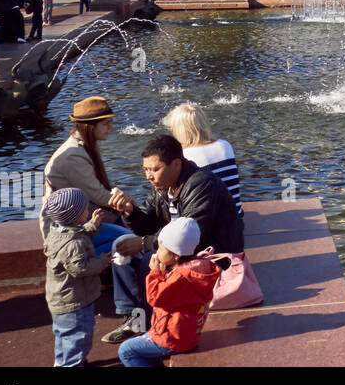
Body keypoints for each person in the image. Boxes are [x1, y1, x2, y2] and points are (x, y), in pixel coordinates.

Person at [104, 134, 243, 344]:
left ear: (176, 164)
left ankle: (157, 323)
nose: (149, 176)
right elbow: (148, 223)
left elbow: (195, 233)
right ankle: (135, 318)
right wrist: (130, 211)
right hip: (181, 248)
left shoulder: (201, 184)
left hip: (213, 253)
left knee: (150, 260)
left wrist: (144, 243)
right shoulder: (164, 186)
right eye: (145, 170)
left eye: (154, 169)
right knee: (119, 246)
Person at [117, 217, 220, 367]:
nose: (157, 252)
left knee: (126, 350)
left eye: (160, 248)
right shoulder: (197, 268)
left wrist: (155, 273)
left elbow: (154, 298)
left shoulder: (180, 277)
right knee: (145, 344)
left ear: (176, 255)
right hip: (188, 333)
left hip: (173, 338)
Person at [41, 97, 134, 254]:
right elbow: (97, 194)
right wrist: (127, 204)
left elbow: (97, 190)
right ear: (89, 127)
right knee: (128, 241)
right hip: (68, 231)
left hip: (82, 218)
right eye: (106, 124)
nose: (111, 127)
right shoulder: (72, 156)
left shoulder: (82, 146)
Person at [43, 188, 109, 367]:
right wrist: (101, 262)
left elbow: (78, 235)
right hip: (74, 301)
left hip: (60, 300)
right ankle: (71, 364)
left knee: (63, 334)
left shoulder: (57, 233)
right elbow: (80, 268)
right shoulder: (73, 244)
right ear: (77, 214)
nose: (88, 210)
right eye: (85, 208)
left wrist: (92, 225)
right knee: (79, 335)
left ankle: (62, 361)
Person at [164, 103, 242, 216]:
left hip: (206, 226)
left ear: (179, 130)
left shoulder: (183, 156)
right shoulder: (225, 145)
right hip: (235, 216)